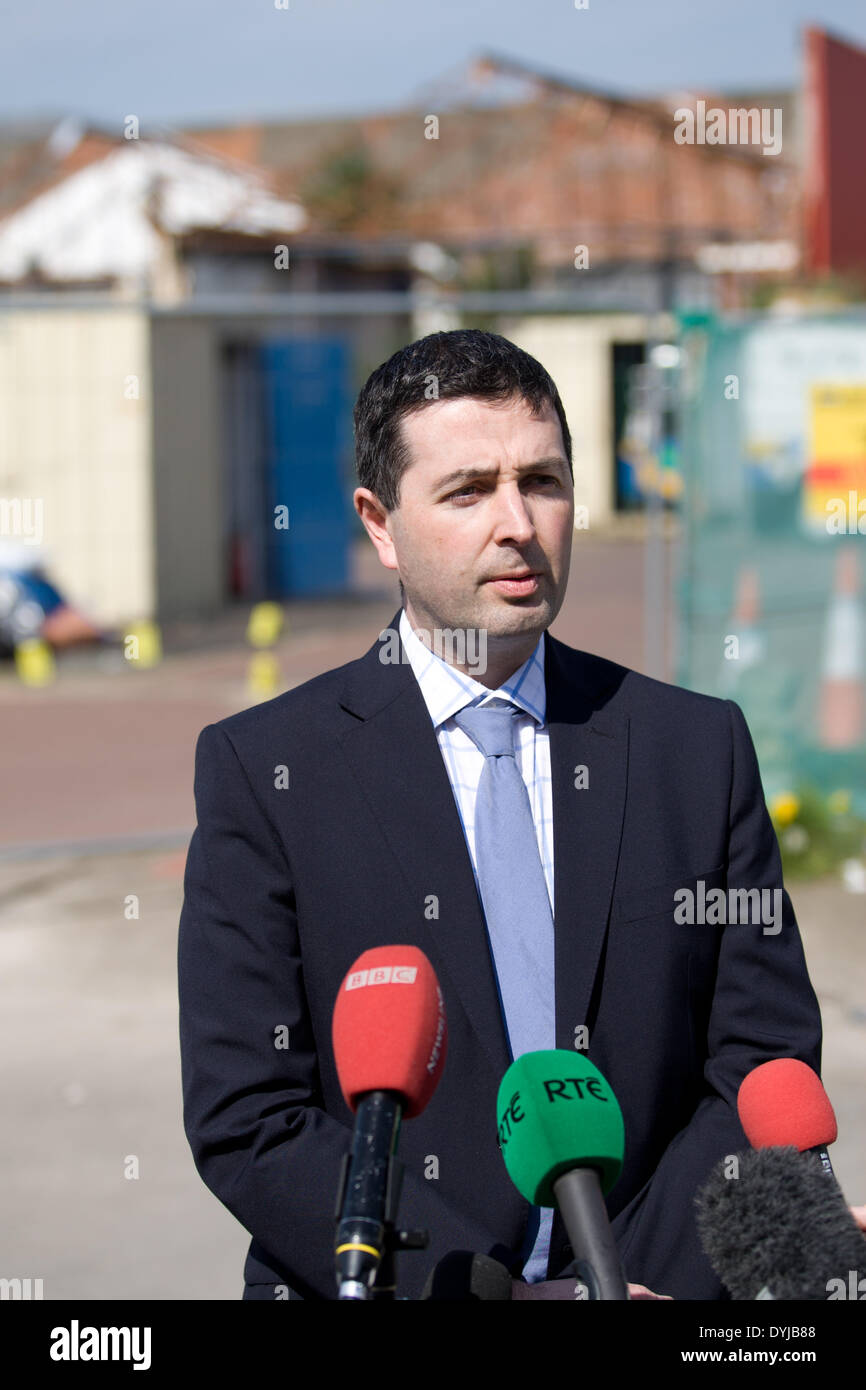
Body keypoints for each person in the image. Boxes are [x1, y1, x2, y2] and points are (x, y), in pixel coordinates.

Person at [178, 329, 822, 1300]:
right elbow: (251, 1116)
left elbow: (759, 1063)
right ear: (380, 523)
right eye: (468, 490)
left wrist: (631, 1287)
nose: (517, 522)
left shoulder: (693, 749)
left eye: (544, 481)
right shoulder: (268, 769)